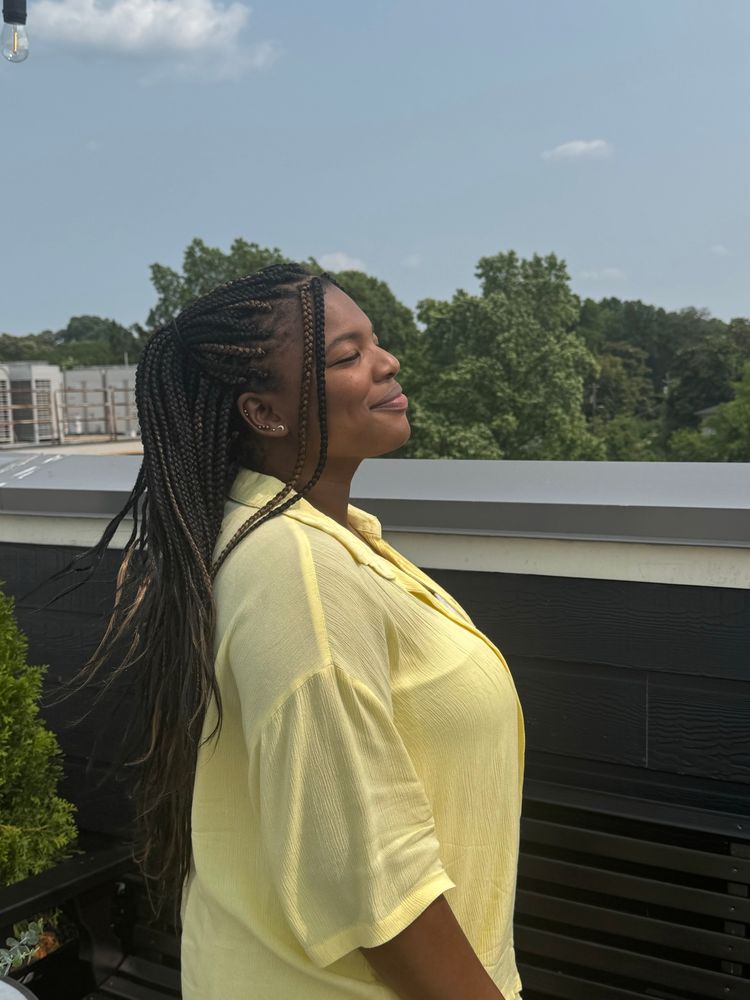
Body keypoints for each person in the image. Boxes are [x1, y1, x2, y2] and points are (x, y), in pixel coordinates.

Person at [70, 263, 525, 999]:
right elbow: (376, 882)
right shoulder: (298, 572)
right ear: (263, 411)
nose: (387, 362)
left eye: (373, 340)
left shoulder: (327, 541)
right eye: (347, 356)